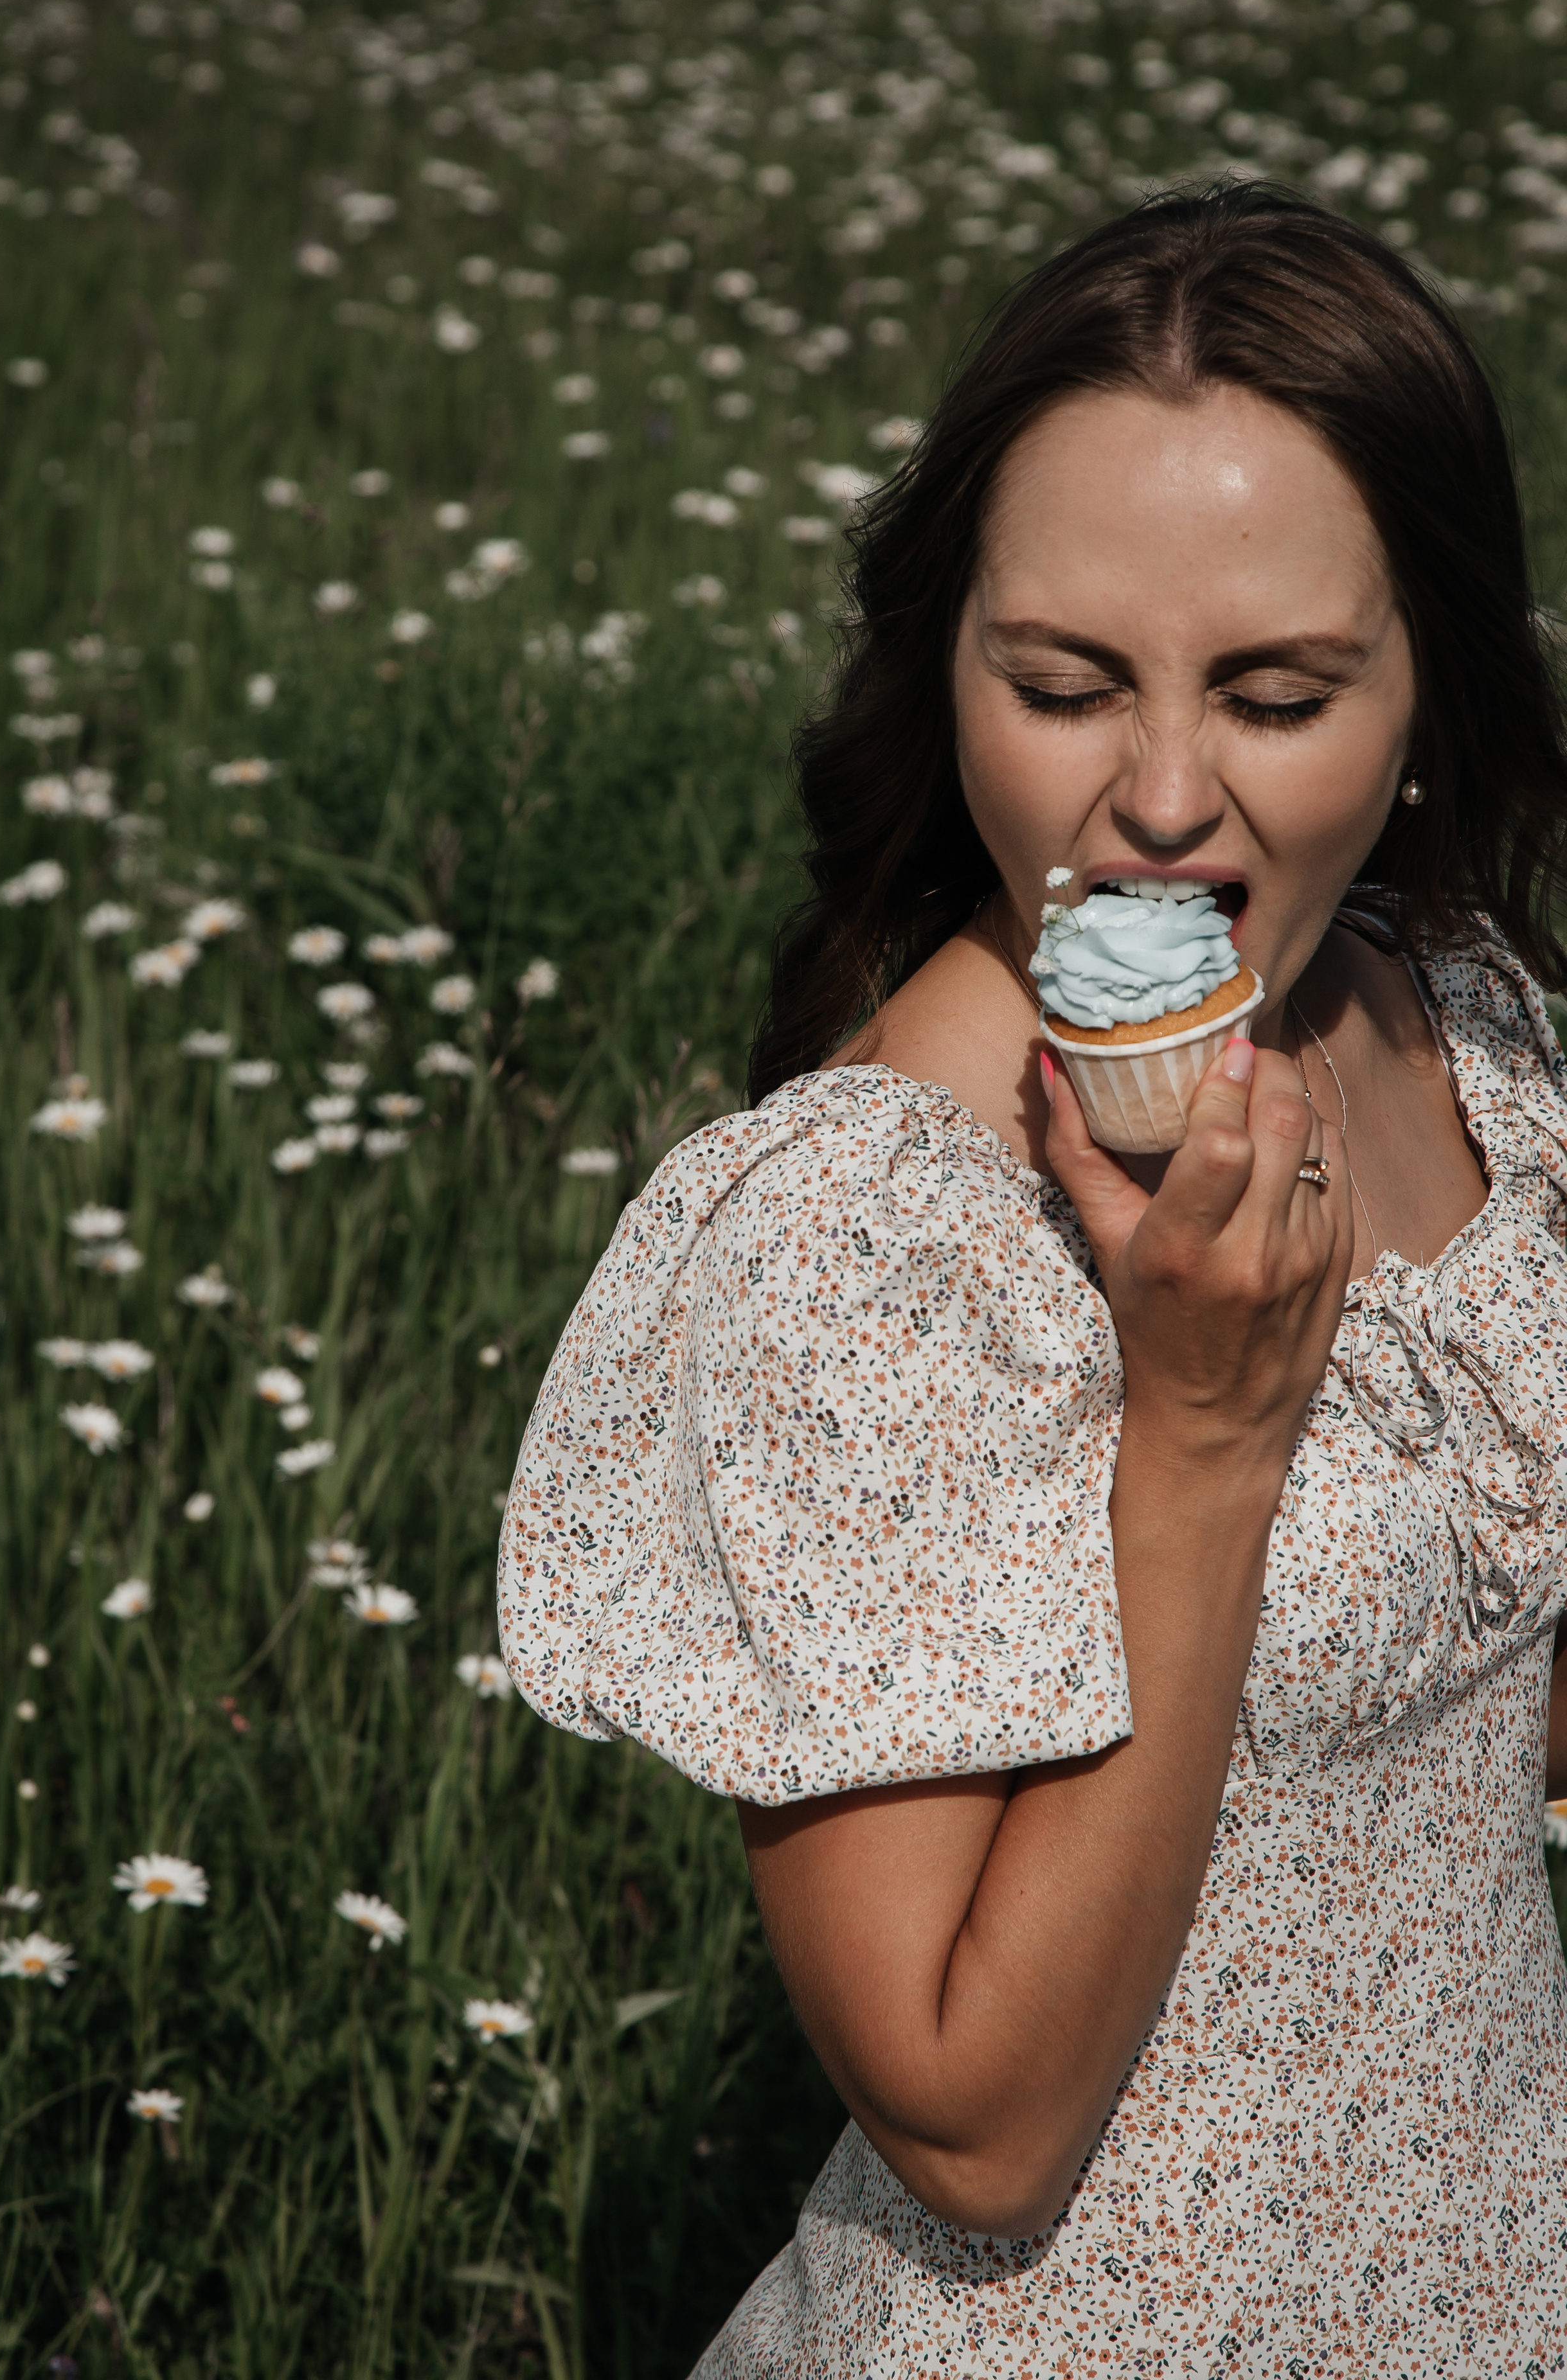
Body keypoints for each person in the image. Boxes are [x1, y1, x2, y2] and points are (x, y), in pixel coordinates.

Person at [497, 182, 1567, 2372]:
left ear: (1426, 693)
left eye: (1277, 696)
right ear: (949, 671)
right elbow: (973, 2124)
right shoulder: (858, 1239)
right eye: (1065, 685)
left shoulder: (1466, 1030)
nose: (1159, 799)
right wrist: (1201, 1431)